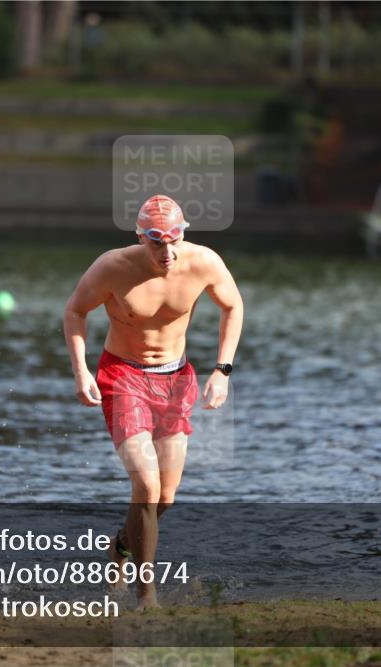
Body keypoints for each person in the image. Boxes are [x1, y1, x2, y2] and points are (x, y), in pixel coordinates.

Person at [63, 194, 243, 609]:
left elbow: (233, 306)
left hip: (175, 380)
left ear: (184, 234)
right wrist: (80, 370)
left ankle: (121, 547)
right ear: (141, 237)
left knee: (164, 498)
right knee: (146, 485)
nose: (167, 252)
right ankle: (147, 595)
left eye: (174, 240)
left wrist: (222, 370)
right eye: (157, 242)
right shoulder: (113, 267)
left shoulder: (203, 262)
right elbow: (75, 311)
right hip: (123, 377)